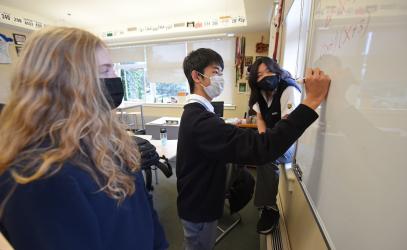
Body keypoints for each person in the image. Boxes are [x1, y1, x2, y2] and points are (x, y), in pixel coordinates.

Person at [0, 27, 168, 250]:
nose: (115, 79)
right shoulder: (38, 176)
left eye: (113, 69)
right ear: (63, 82)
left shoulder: (111, 140)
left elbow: (143, 210)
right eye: (105, 70)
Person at [177, 48, 331, 250]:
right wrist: (311, 102)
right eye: (216, 72)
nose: (221, 78)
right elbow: (261, 148)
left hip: (199, 200)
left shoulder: (198, 114)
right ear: (197, 76)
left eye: (222, 73)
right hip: (199, 207)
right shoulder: (200, 121)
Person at [248, 56, 301, 234]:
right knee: (246, 146)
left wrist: (267, 145)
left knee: (266, 158)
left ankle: (269, 209)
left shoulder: (288, 89)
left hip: (288, 140)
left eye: (269, 71)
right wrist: (263, 140)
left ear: (276, 70)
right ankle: (237, 190)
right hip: (270, 137)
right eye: (260, 75)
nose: (265, 77)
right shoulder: (258, 93)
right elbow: (260, 119)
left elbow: (288, 125)